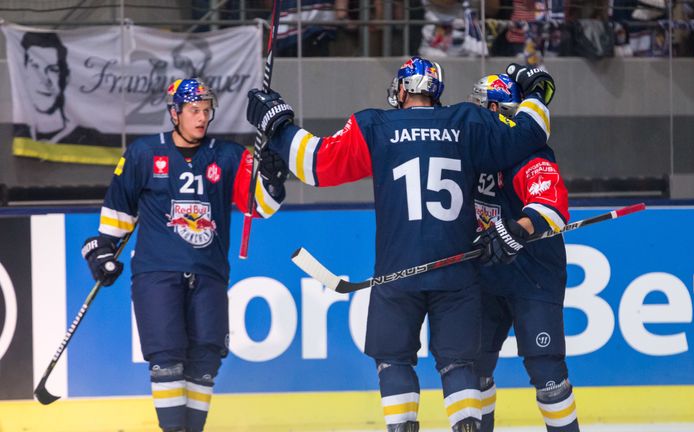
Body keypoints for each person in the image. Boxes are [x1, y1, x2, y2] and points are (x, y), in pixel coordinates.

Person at [245, 57, 555, 432]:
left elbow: (317, 164)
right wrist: (536, 92)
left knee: (394, 361)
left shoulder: (375, 126)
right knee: (459, 365)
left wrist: (277, 125)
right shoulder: (468, 122)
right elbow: (530, 134)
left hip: (396, 275)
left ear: (403, 90)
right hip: (457, 272)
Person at [80, 78, 287, 432]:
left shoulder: (230, 155)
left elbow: (261, 207)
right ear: (174, 113)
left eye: (207, 110)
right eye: (194, 110)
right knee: (167, 360)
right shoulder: (144, 154)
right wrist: (101, 250)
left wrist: (271, 175)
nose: (202, 117)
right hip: (157, 273)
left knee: (205, 361)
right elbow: (118, 213)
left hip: (208, 272)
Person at [469, 73, 578, 431]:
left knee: (548, 374)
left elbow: (551, 204)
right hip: (485, 275)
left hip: (533, 275)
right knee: (473, 369)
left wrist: (520, 228)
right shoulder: (468, 152)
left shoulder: (528, 152)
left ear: (497, 108)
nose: (474, 112)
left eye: (480, 104)